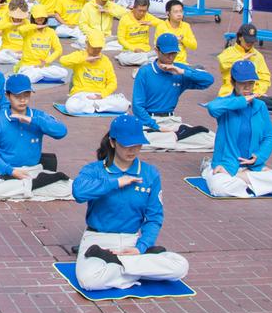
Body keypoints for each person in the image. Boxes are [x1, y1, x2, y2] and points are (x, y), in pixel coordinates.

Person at [71, 115, 190, 290]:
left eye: (137, 144)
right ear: (112, 142)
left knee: (180, 266)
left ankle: (119, 263)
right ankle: (141, 267)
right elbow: (78, 193)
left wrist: (141, 248)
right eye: (126, 145)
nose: (133, 150)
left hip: (132, 242)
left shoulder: (150, 173)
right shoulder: (95, 169)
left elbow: (154, 218)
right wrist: (116, 182)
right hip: (98, 240)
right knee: (89, 280)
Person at [202, 60, 272, 197]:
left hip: (252, 168)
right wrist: (243, 101)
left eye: (250, 83)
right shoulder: (226, 103)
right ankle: (249, 182)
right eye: (242, 83)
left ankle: (243, 180)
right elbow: (212, 108)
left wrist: (259, 157)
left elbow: (269, 136)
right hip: (226, 166)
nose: (247, 87)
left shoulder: (260, 106)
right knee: (219, 188)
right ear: (233, 82)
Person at [0, 74, 72, 200]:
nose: (23, 100)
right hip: (6, 172)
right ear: (7, 96)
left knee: (68, 187)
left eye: (26, 95)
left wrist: (32, 120)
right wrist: (11, 171)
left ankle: (26, 188)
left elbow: (62, 132)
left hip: (33, 171)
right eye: (17, 96)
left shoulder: (37, 116)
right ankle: (36, 186)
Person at [131, 34, 215, 150]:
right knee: (132, 140)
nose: (171, 57)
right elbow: (137, 107)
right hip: (148, 122)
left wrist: (183, 72)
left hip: (172, 122)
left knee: (212, 140)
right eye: (167, 53)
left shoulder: (179, 70)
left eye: (174, 53)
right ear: (157, 51)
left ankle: (169, 140)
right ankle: (174, 139)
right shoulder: (145, 72)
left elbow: (208, 80)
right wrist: (156, 127)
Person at [215, 23, 272, 112]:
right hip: (232, 92)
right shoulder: (228, 52)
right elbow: (223, 64)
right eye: (247, 40)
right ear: (240, 37)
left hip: (251, 93)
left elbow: (265, 77)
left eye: (252, 41)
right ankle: (244, 103)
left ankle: (247, 102)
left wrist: (258, 92)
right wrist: (241, 59)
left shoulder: (258, 55)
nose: (250, 43)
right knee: (227, 100)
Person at [61, 32, 128, 115]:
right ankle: (98, 107)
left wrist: (102, 95)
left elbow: (112, 82)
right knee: (71, 107)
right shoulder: (80, 55)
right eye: (94, 47)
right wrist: (84, 59)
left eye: (99, 48)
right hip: (81, 95)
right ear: (87, 44)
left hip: (100, 96)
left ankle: (92, 106)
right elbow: (63, 61)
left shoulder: (106, 61)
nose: (96, 50)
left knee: (124, 105)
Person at [15, 5, 69, 83]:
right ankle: (40, 76)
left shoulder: (51, 32)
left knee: (64, 72)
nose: (40, 19)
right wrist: (35, 26)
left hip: (44, 67)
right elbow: (20, 29)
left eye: (42, 17)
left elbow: (58, 49)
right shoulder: (28, 30)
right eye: (38, 17)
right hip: (28, 67)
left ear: (46, 17)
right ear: (33, 17)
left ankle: (38, 76)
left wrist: (47, 61)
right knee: (30, 74)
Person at [114, 0, 161, 66]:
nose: (142, 13)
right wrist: (134, 49)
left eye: (144, 11)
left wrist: (150, 23)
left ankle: (145, 60)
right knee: (122, 59)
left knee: (161, 56)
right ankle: (148, 61)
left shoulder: (147, 16)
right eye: (140, 10)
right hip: (130, 51)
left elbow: (163, 23)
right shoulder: (125, 19)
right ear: (133, 8)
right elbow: (120, 39)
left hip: (145, 50)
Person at [157, 0, 198, 66]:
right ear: (168, 13)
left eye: (181, 11)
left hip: (182, 63)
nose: (179, 14)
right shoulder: (161, 27)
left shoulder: (186, 26)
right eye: (175, 12)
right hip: (166, 63)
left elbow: (194, 46)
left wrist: (183, 39)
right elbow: (157, 47)